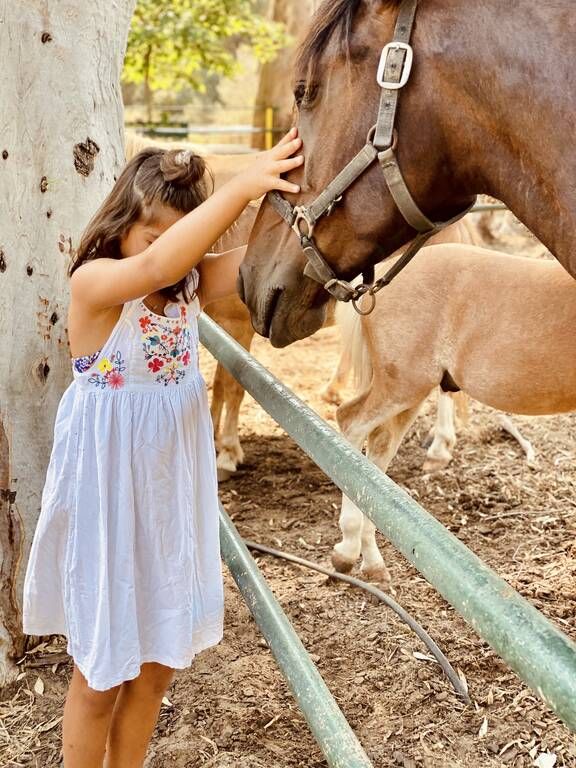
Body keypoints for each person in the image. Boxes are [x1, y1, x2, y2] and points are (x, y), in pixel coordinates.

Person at [21, 128, 303, 768]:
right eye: (155, 234)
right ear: (121, 223)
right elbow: (155, 265)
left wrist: (296, 192)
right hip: (109, 505)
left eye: (181, 235)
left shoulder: (189, 285)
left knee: (154, 669)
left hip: (168, 500)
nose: (170, 252)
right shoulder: (98, 281)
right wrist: (241, 185)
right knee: (101, 675)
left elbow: (269, 257)